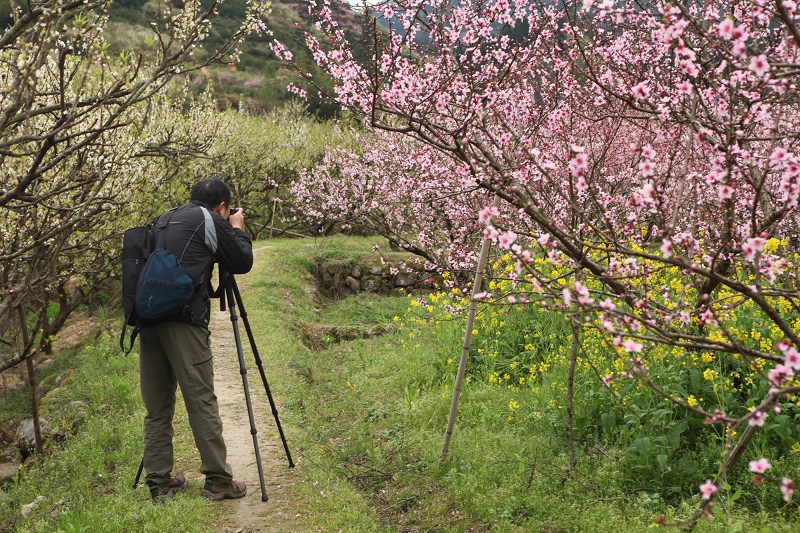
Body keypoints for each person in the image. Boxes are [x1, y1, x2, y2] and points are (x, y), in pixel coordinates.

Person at [139, 178, 253, 503]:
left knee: (157, 406)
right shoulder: (210, 219)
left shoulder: (164, 218)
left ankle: (160, 482)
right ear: (222, 206)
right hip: (184, 321)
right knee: (200, 400)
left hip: (148, 319)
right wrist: (236, 227)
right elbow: (242, 261)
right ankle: (218, 480)